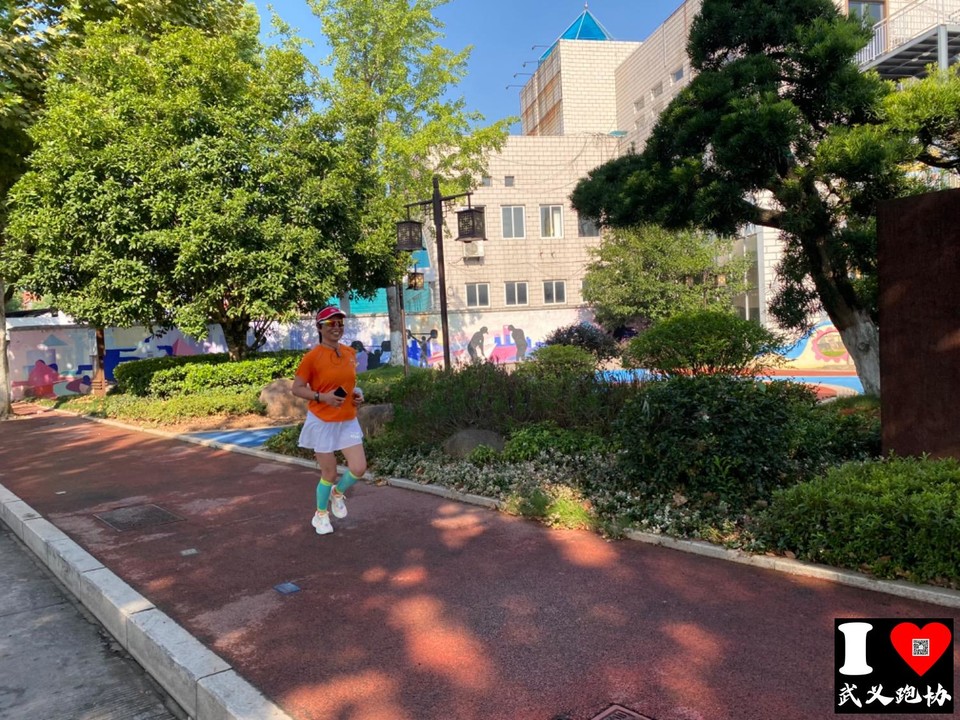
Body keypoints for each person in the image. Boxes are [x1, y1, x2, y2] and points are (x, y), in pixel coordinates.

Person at [291, 306, 366, 535]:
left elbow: (349, 383)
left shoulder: (349, 353)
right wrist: (322, 397)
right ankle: (321, 514)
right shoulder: (312, 357)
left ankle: (337, 493)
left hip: (347, 419)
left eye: (340, 323)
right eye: (331, 323)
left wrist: (357, 394)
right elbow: (297, 388)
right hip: (322, 420)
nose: (337, 327)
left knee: (359, 468)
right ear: (320, 328)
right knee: (329, 474)